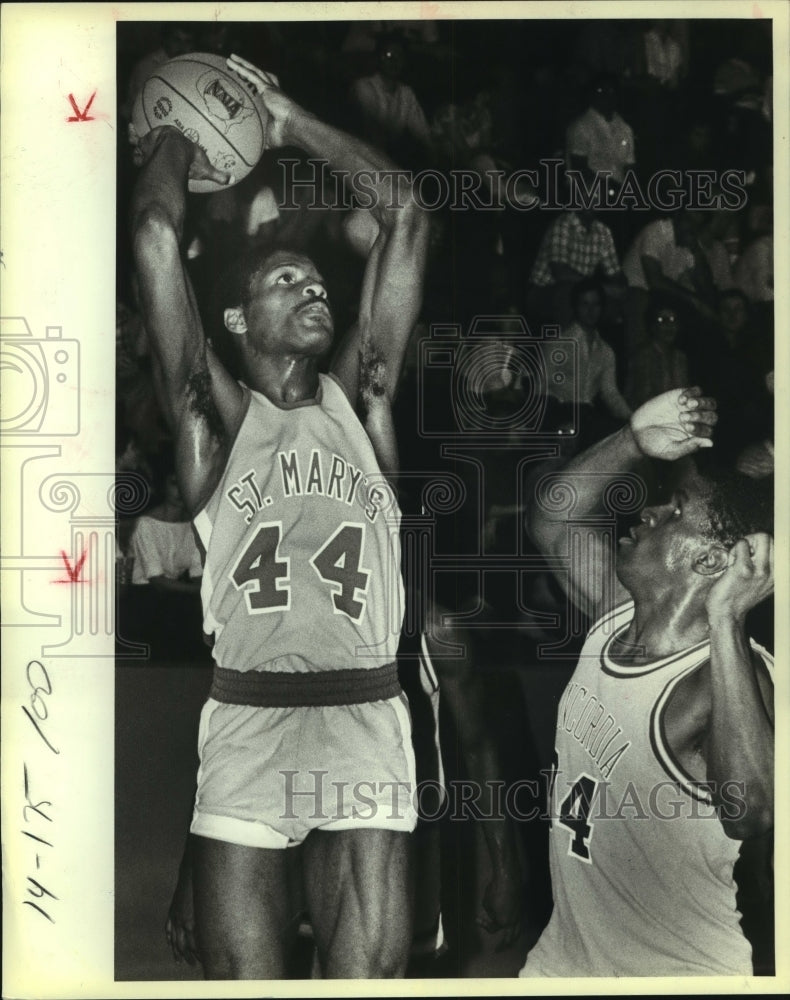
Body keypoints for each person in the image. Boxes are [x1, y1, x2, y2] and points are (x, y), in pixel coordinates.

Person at [130, 53, 429, 979]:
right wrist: (179, 132)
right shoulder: (209, 423)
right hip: (248, 725)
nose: (316, 292)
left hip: (365, 715)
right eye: (286, 283)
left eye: (318, 284)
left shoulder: (361, 396)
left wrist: (284, 118)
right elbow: (150, 230)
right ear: (231, 317)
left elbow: (407, 210)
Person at [520, 387, 774, 976]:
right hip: (566, 958)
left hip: (677, 972)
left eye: (677, 510)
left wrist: (726, 617)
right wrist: (632, 440)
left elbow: (754, 812)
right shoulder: (615, 618)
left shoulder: (730, 675)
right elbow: (551, 518)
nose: (650, 512)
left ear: (712, 562)